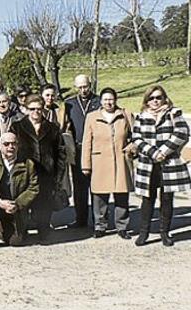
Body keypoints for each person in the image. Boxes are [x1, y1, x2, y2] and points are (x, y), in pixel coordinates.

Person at [130, 85, 190, 247]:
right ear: (147, 100)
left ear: (164, 98)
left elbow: (182, 132)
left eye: (158, 97)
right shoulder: (141, 117)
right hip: (148, 164)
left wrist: (164, 151)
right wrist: (153, 153)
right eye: (151, 98)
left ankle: (165, 232)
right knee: (147, 200)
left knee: (166, 199)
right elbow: (136, 138)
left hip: (168, 163)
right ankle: (144, 233)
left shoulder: (174, 113)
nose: (155, 101)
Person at [10, 95, 67, 243]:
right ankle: (22, 231)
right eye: (32, 109)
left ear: (43, 110)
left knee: (44, 206)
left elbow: (60, 154)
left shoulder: (53, 128)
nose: (36, 112)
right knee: (23, 204)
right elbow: (11, 152)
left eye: (39, 109)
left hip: (46, 173)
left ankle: (44, 232)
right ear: (26, 110)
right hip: (24, 174)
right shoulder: (16, 127)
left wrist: (58, 177)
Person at [80, 88, 134, 239]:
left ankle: (122, 226)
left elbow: (135, 136)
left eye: (111, 99)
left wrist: (131, 148)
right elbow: (86, 142)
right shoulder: (92, 117)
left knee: (122, 196)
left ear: (115, 100)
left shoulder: (125, 115)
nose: (108, 102)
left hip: (120, 160)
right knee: (99, 197)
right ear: (101, 101)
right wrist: (86, 164)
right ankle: (100, 226)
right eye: (105, 99)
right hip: (100, 161)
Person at [0, 132, 39, 250]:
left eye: (14, 143)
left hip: (15, 205)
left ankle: (1, 228)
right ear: (0, 146)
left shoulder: (28, 163)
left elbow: (33, 188)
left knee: (15, 241)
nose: (11, 147)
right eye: (6, 144)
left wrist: (18, 204)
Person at [63, 74, 101, 228]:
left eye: (85, 86)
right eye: (80, 87)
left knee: (97, 186)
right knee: (80, 187)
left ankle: (98, 220)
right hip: (78, 148)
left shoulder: (99, 101)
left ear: (90, 85)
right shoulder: (69, 104)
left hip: (96, 148)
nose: (83, 90)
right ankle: (81, 220)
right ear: (75, 87)